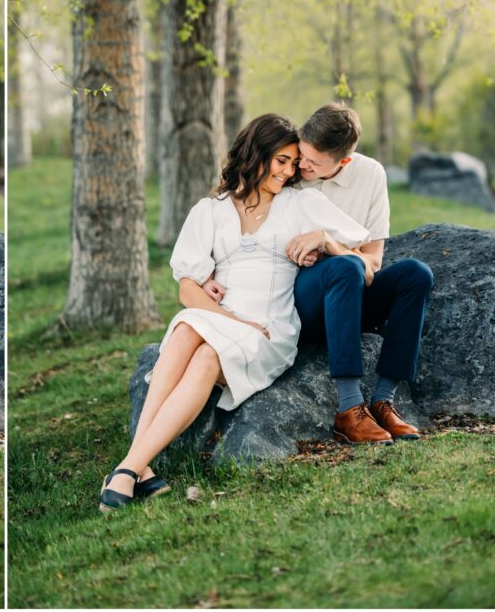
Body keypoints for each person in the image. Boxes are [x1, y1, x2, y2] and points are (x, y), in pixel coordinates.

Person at [99, 114, 369, 513]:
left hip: (267, 327)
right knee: (187, 330)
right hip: (221, 316)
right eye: (281, 160)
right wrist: (231, 319)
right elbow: (187, 288)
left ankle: (128, 468)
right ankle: (136, 467)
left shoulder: (301, 203)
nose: (289, 171)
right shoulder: (210, 210)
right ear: (255, 154)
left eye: (293, 163)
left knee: (208, 355)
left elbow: (365, 263)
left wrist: (326, 240)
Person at [289, 103, 433, 443]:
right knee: (346, 265)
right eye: (302, 154)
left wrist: (328, 242)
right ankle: (349, 407)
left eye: (314, 162)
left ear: (344, 161)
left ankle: (383, 400)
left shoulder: (370, 175)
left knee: (416, 273)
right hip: (300, 303)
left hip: (351, 295)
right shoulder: (287, 169)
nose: (302, 165)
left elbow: (372, 265)